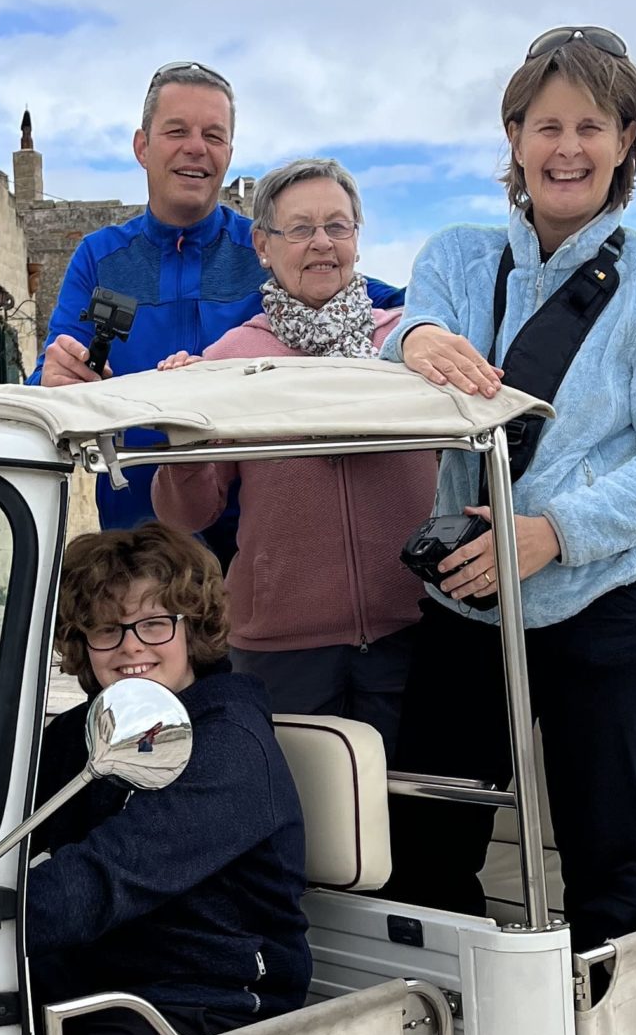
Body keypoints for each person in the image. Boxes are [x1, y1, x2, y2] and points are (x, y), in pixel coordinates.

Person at [383, 26, 636, 954]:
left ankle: (600, 1031)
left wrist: (552, 532)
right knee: (426, 845)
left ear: (626, 142)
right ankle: (457, 1015)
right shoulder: (456, 258)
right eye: (546, 126)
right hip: (469, 598)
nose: (566, 148)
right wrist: (411, 339)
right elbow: (407, 346)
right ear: (514, 138)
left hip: (616, 598)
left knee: (605, 858)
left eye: (590, 126)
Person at [30, 62, 401, 530]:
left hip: (260, 538)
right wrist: (54, 378)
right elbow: (48, 378)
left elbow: (381, 302)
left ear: (228, 153)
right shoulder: (100, 258)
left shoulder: (271, 249)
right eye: (177, 131)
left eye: (213, 135)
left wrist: (422, 329)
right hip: (138, 541)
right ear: (142, 147)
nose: (196, 147)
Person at [28, 521, 311, 1035]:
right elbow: (5, 825)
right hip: (94, 986)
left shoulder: (229, 747)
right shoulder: (87, 731)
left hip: (205, 1005)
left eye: (155, 624)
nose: (131, 647)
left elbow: (103, 879)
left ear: (193, 629)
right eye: (107, 628)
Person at [150, 157, 436, 745]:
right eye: (301, 229)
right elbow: (186, 514)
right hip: (280, 649)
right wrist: (180, 435)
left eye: (338, 226)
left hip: (419, 631)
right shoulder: (230, 359)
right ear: (263, 245)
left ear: (357, 237)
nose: (322, 243)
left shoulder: (408, 342)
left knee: (417, 802)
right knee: (297, 802)